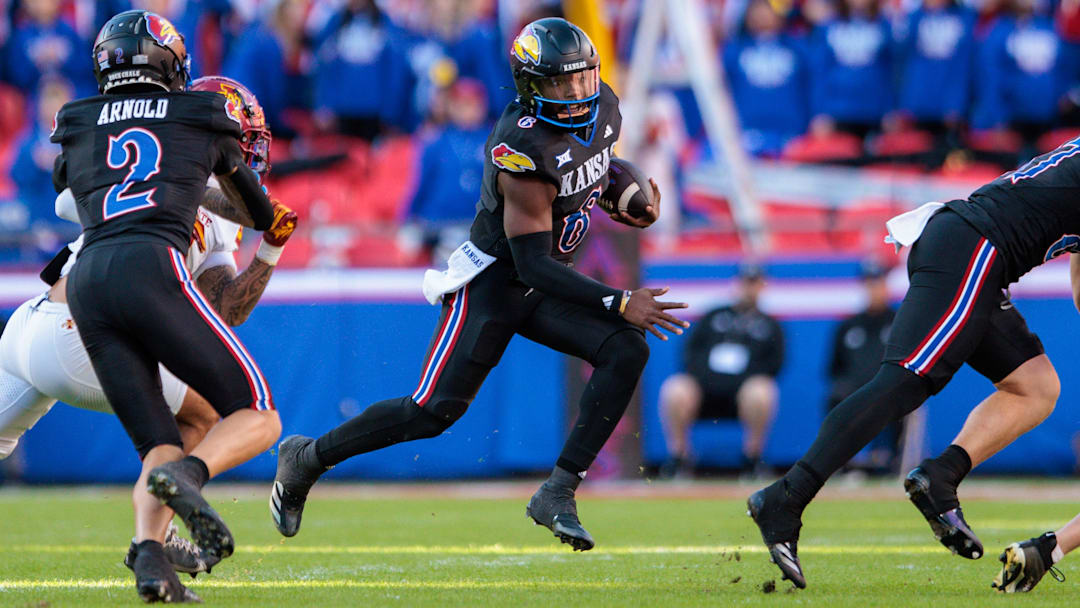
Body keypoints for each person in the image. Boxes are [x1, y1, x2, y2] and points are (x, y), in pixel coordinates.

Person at [270, 17, 688, 552]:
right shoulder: (519, 147)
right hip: (493, 284)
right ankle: (307, 457)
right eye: (561, 84)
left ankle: (558, 492)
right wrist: (620, 299)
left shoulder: (603, 107)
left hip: (541, 284)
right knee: (431, 412)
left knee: (625, 350)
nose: (576, 93)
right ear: (530, 86)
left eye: (582, 79)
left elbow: (595, 167)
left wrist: (623, 196)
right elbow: (531, 262)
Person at [747, 126, 1079, 591]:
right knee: (905, 380)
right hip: (976, 246)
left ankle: (940, 476)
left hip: (975, 248)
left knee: (1035, 386)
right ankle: (785, 497)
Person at [0, 75, 293, 578]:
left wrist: (269, 249)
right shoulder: (162, 166)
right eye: (241, 138)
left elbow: (224, 308)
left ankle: (154, 547)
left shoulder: (199, 199)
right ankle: (156, 539)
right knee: (209, 418)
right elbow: (66, 199)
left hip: (34, 331)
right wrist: (212, 193)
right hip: (83, 331)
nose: (246, 150)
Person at [53, 11, 282, 602]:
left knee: (159, 442)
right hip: (149, 268)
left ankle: (152, 562)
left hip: (89, 286)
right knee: (258, 413)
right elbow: (257, 211)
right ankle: (190, 476)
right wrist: (253, 216)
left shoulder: (78, 118)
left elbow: (65, 180)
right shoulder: (200, 115)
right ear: (170, 62)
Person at [658, 263, 783, 477]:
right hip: (704, 390)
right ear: (737, 284)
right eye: (746, 282)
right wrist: (706, 377)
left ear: (763, 287)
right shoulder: (714, 316)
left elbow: (775, 364)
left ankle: (752, 458)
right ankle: (679, 457)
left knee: (763, 390)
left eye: (755, 283)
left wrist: (742, 379)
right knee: (675, 388)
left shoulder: (770, 325)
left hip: (743, 394)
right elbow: (690, 352)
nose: (749, 288)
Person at [825, 260, 897, 473]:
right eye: (869, 283)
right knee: (838, 395)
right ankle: (840, 459)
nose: (874, 289)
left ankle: (889, 458)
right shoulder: (848, 326)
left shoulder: (899, 321)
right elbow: (834, 368)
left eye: (878, 283)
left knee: (900, 395)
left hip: (889, 387)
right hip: (855, 389)